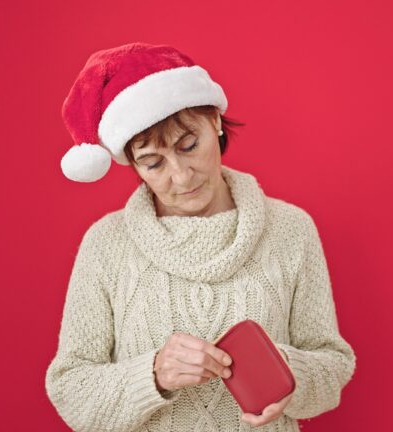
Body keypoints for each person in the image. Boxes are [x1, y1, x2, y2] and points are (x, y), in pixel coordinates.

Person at [45, 42, 356, 432]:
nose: (181, 176)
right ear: (134, 166)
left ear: (216, 122)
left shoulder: (291, 230)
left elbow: (333, 368)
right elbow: (72, 392)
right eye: (153, 163)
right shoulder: (106, 244)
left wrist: (285, 372)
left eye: (189, 145)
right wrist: (153, 374)